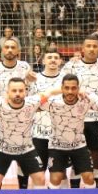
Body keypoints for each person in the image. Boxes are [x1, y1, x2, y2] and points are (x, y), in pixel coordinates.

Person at [62, 36, 98, 185]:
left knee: (96, 153)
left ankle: (97, 187)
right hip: (77, 117)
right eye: (88, 46)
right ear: (82, 49)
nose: (91, 49)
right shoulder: (71, 66)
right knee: (77, 153)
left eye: (94, 46)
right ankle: (75, 188)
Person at [0, 78, 46, 190]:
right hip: (3, 150)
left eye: (21, 90)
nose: (18, 93)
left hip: (26, 149)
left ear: (26, 92)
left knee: (40, 179)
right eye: (14, 91)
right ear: (7, 92)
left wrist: (78, 92)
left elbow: (50, 93)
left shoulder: (32, 102)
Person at [44, 74, 96, 188]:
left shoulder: (86, 100)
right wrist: (53, 92)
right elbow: (36, 99)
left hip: (79, 146)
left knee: (89, 177)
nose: (70, 91)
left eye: (73, 88)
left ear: (78, 88)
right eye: (66, 88)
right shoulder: (52, 102)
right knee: (56, 179)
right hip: (57, 146)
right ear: (61, 88)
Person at [29, 49, 63, 179]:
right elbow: (30, 104)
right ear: (43, 61)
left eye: (56, 57)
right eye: (49, 57)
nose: (53, 60)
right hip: (38, 133)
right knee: (38, 173)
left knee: (59, 175)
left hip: (60, 134)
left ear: (60, 61)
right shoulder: (34, 79)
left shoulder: (66, 80)